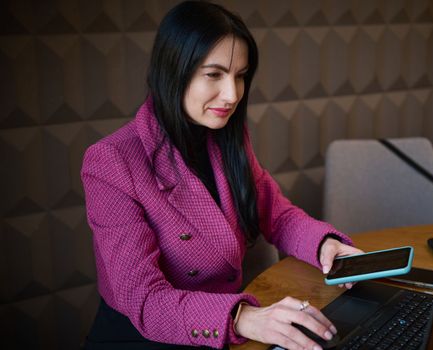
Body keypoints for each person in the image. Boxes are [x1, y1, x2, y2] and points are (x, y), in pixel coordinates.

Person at [81, 1, 362, 349]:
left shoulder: (226, 136)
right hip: (151, 339)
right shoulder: (111, 160)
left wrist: (325, 246)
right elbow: (145, 299)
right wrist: (242, 317)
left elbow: (278, 215)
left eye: (240, 75)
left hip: (229, 328)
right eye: (214, 74)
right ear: (174, 71)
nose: (231, 95)